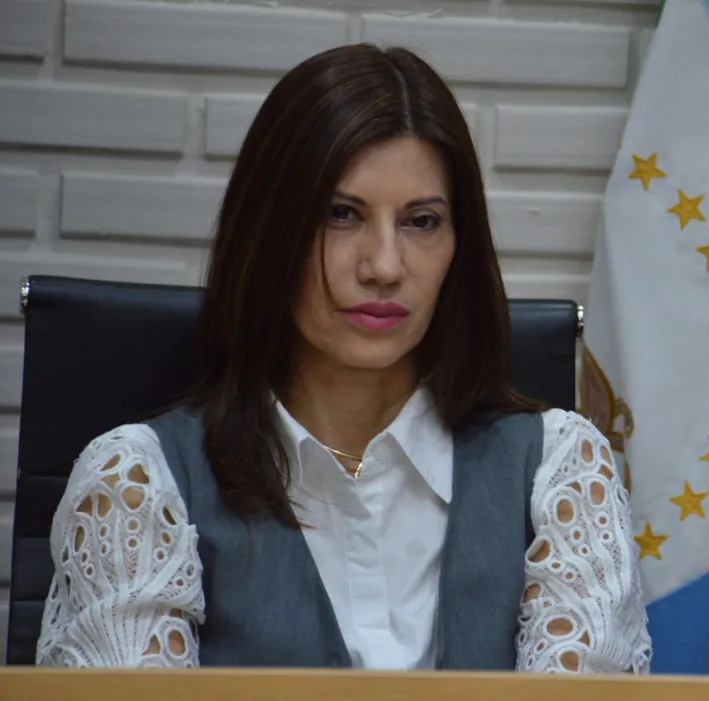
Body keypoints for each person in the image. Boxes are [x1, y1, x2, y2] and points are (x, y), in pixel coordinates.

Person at [35, 44, 652, 673]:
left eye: (421, 221)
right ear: (268, 232)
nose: (383, 266)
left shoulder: (560, 474)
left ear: (458, 246)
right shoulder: (138, 484)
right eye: (341, 215)